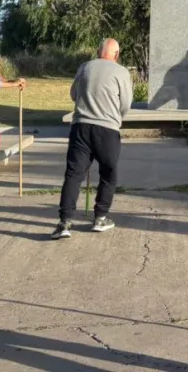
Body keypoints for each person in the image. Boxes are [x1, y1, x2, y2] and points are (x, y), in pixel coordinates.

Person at [51, 39, 133, 240]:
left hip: (81, 126)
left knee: (73, 175)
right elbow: (126, 104)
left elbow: (74, 94)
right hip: (107, 129)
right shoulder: (121, 72)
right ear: (116, 54)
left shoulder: (85, 67)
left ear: (98, 51)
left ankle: (64, 222)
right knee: (108, 174)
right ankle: (100, 217)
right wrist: (117, 117)